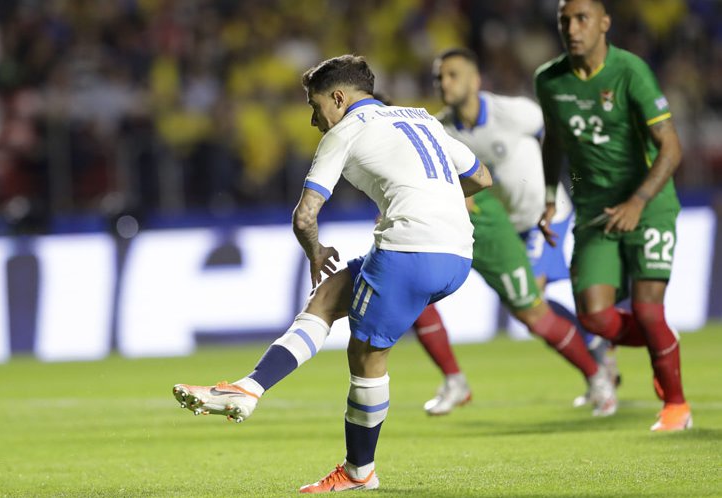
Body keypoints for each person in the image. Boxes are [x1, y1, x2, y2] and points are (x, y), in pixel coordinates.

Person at [172, 54, 492, 493]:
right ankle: (248, 388)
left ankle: (359, 471)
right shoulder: (420, 118)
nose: (312, 119)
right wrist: (437, 202)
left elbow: (304, 217)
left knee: (365, 357)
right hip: (458, 255)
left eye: (314, 105)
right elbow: (482, 177)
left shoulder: (346, 131)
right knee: (328, 300)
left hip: (409, 250)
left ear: (339, 98)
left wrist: (315, 252)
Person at [414, 48, 619, 417]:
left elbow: (559, 135)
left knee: (531, 299)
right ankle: (596, 349)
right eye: (439, 78)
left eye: (453, 75)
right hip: (506, 227)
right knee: (526, 305)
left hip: (543, 216)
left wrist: (575, 183)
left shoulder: (512, 113)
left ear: (475, 81)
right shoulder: (442, 130)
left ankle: (598, 361)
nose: (444, 83)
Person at [535, 0, 690, 431]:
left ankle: (676, 406)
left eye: (582, 18)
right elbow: (553, 141)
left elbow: (671, 147)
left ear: (604, 23)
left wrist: (638, 201)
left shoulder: (630, 71)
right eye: (564, 20)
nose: (572, 27)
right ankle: (665, 344)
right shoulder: (549, 80)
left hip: (649, 204)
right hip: (594, 211)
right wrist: (549, 196)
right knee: (594, 318)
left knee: (646, 309)